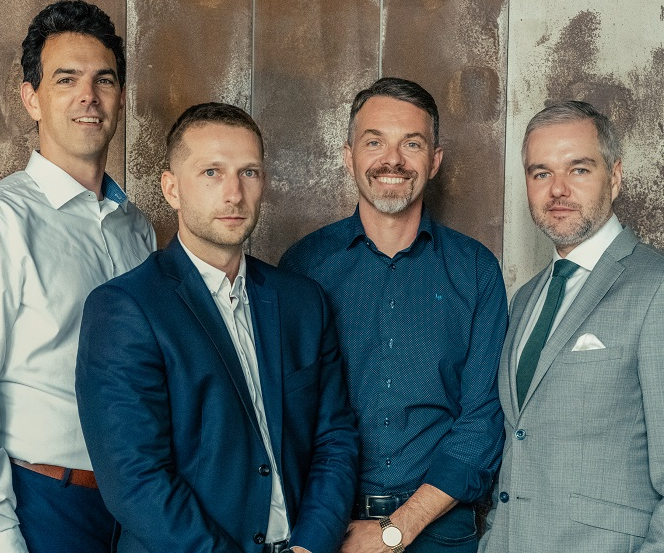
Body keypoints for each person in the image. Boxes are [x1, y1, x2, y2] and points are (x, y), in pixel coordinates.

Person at [75, 102, 359, 553]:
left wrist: (310, 546)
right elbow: (137, 480)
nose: (234, 193)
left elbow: (335, 440)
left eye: (249, 172)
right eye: (212, 172)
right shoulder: (124, 309)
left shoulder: (303, 302)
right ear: (172, 188)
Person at [280, 77, 507, 553]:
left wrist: (396, 529)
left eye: (412, 143)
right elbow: (288, 412)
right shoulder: (302, 267)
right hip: (326, 524)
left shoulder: (475, 270)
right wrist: (321, 527)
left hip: (440, 527)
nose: (393, 160)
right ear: (348, 157)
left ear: (435, 161)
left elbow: (482, 420)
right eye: (374, 142)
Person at [0, 0, 155, 553]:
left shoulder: (137, 228)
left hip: (135, 506)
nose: (88, 97)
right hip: (40, 502)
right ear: (32, 98)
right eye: (66, 79)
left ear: (121, 97)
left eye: (104, 80)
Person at [478, 101, 664, 553]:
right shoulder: (526, 298)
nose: (557, 189)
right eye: (541, 173)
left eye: (578, 169)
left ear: (614, 176)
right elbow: (519, 441)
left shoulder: (655, 287)